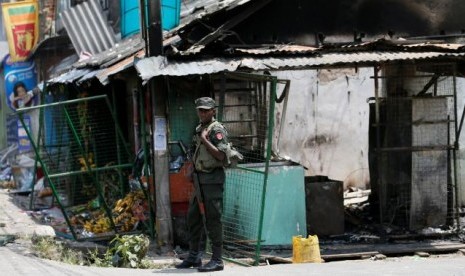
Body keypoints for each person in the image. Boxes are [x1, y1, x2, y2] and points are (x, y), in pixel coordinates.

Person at [176, 97, 229, 272]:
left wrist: (206, 140)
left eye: (206, 110)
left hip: (212, 179)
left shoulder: (216, 129)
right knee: (193, 218)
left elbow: (222, 156)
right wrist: (191, 167)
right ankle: (194, 257)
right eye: (200, 110)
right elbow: (194, 151)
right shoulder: (200, 128)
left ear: (213, 111)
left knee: (213, 218)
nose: (203, 113)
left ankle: (217, 259)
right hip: (200, 179)